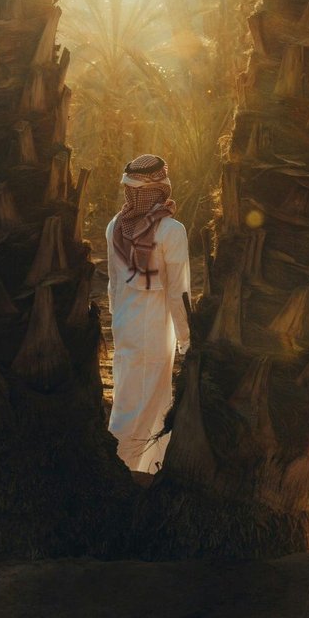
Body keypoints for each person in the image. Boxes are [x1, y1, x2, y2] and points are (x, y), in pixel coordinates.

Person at [105, 153, 190, 473]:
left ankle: (148, 472)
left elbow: (114, 286)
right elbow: (178, 293)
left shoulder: (116, 225)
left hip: (125, 328)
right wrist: (188, 341)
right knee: (143, 409)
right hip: (154, 332)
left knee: (134, 402)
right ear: (160, 188)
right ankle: (121, 473)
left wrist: (118, 323)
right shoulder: (171, 230)